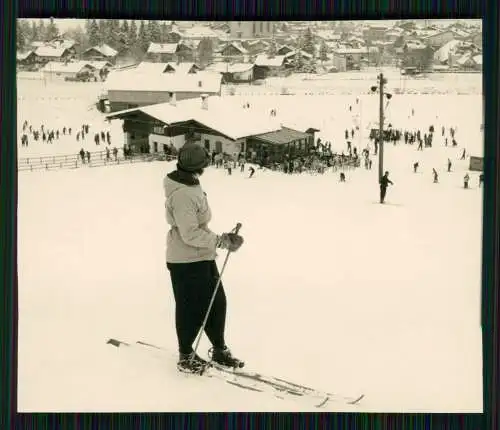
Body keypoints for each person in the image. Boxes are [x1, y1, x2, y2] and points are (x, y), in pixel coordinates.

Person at [163, 142, 245, 374]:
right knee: (191, 309)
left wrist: (222, 238)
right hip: (185, 260)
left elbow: (198, 226)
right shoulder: (182, 194)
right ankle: (186, 354)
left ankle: (219, 349)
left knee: (216, 304)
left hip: (202, 256)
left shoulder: (190, 184)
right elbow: (189, 233)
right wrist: (220, 241)